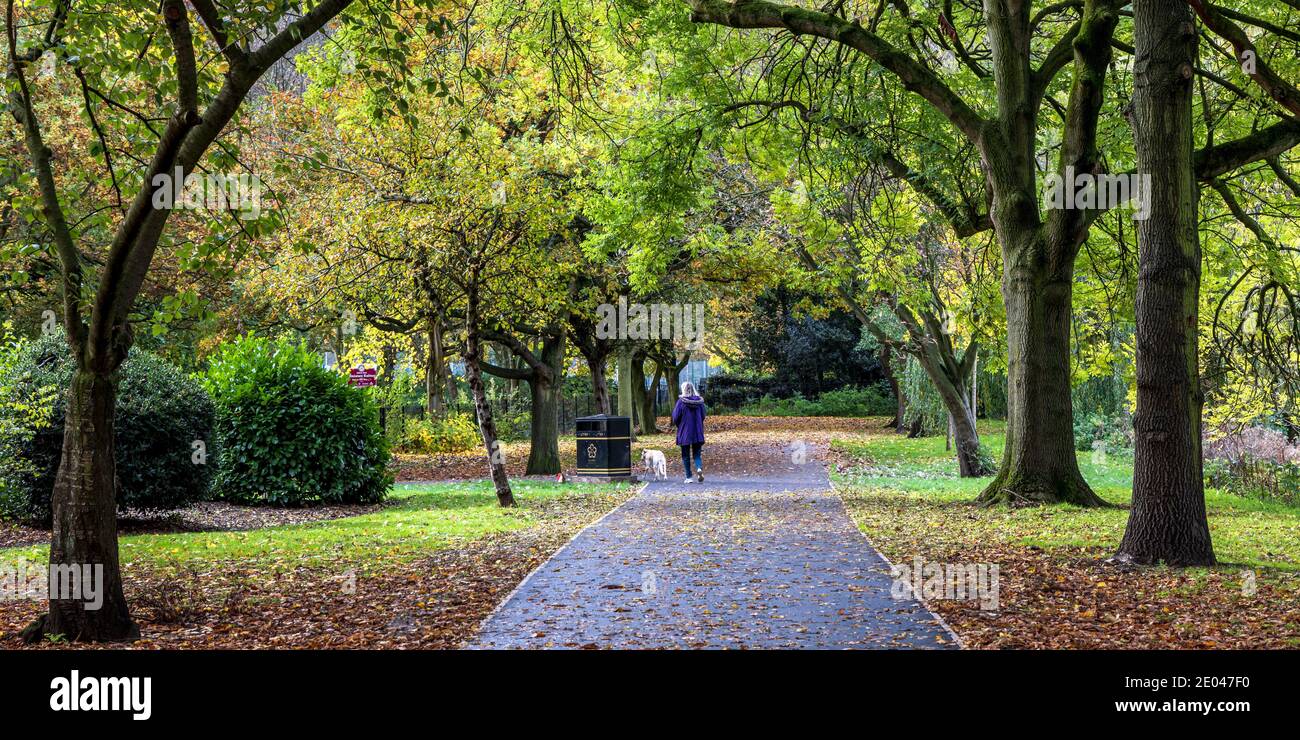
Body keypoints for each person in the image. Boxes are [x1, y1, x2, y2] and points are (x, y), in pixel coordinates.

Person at [671, 381, 706, 483]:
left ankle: (689, 477)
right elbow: (703, 416)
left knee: (685, 455)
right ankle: (699, 468)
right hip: (697, 431)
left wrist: (680, 426)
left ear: (683, 389)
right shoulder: (700, 402)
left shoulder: (681, 402)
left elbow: (675, 417)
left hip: (685, 432)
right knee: (697, 454)